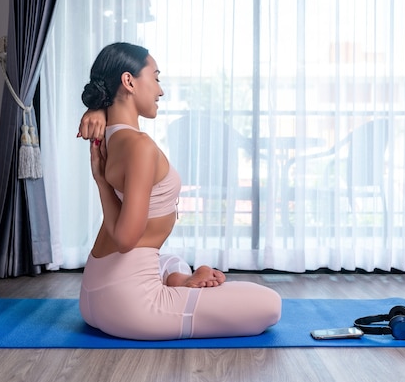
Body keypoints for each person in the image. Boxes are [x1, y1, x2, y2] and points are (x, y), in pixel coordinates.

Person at [77, 42, 281, 341]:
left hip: (93, 294)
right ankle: (179, 282)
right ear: (129, 81)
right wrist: (99, 179)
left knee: (171, 260)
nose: (160, 90)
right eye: (156, 78)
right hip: (132, 306)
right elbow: (125, 240)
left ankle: (182, 279)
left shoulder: (109, 138)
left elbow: (120, 233)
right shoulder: (139, 146)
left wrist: (100, 176)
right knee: (269, 304)